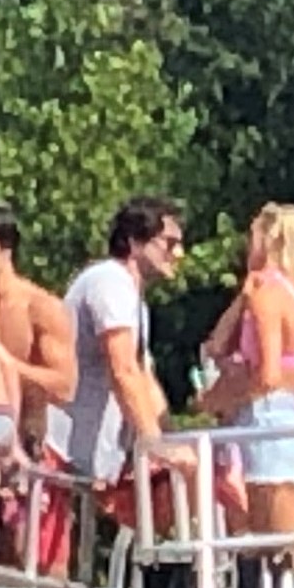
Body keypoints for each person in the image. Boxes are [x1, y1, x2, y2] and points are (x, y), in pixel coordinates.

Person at [196, 200, 294, 546]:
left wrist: (222, 396)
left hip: (267, 424)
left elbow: (268, 375)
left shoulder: (268, 292)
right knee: (291, 545)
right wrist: (243, 299)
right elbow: (217, 344)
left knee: (274, 547)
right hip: (292, 424)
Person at [58, 196, 185, 492]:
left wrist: (173, 442)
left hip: (92, 458)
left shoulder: (132, 298)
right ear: (134, 242)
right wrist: (156, 445)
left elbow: (143, 378)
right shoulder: (110, 281)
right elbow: (123, 370)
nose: (179, 253)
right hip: (63, 453)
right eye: (169, 243)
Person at [0, 207, 78, 449]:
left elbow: (65, 385)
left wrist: (7, 367)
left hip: (25, 436)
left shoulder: (40, 307)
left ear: (6, 248)